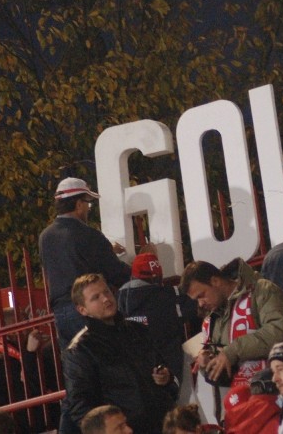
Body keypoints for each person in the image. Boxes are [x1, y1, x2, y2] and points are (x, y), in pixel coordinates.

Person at [64, 274, 177, 434]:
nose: (105, 299)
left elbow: (162, 368)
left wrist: (166, 377)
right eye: (96, 297)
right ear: (82, 309)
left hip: (163, 425)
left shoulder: (138, 330)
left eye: (107, 292)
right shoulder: (80, 350)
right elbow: (80, 407)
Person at [39, 177, 131, 347]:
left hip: (60, 314)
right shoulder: (88, 234)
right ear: (79, 204)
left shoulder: (45, 237)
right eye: (88, 204)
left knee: (77, 366)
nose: (89, 209)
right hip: (87, 309)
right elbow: (115, 272)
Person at [180, 257, 283, 391]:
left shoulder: (261, 290)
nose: (200, 303)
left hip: (275, 394)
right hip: (238, 402)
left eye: (201, 295)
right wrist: (207, 362)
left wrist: (232, 351)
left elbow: (280, 332)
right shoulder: (213, 316)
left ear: (215, 281)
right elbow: (223, 367)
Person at [118, 252, 199, 381]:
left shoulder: (117, 299)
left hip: (133, 372)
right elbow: (197, 304)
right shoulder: (168, 296)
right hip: (168, 373)